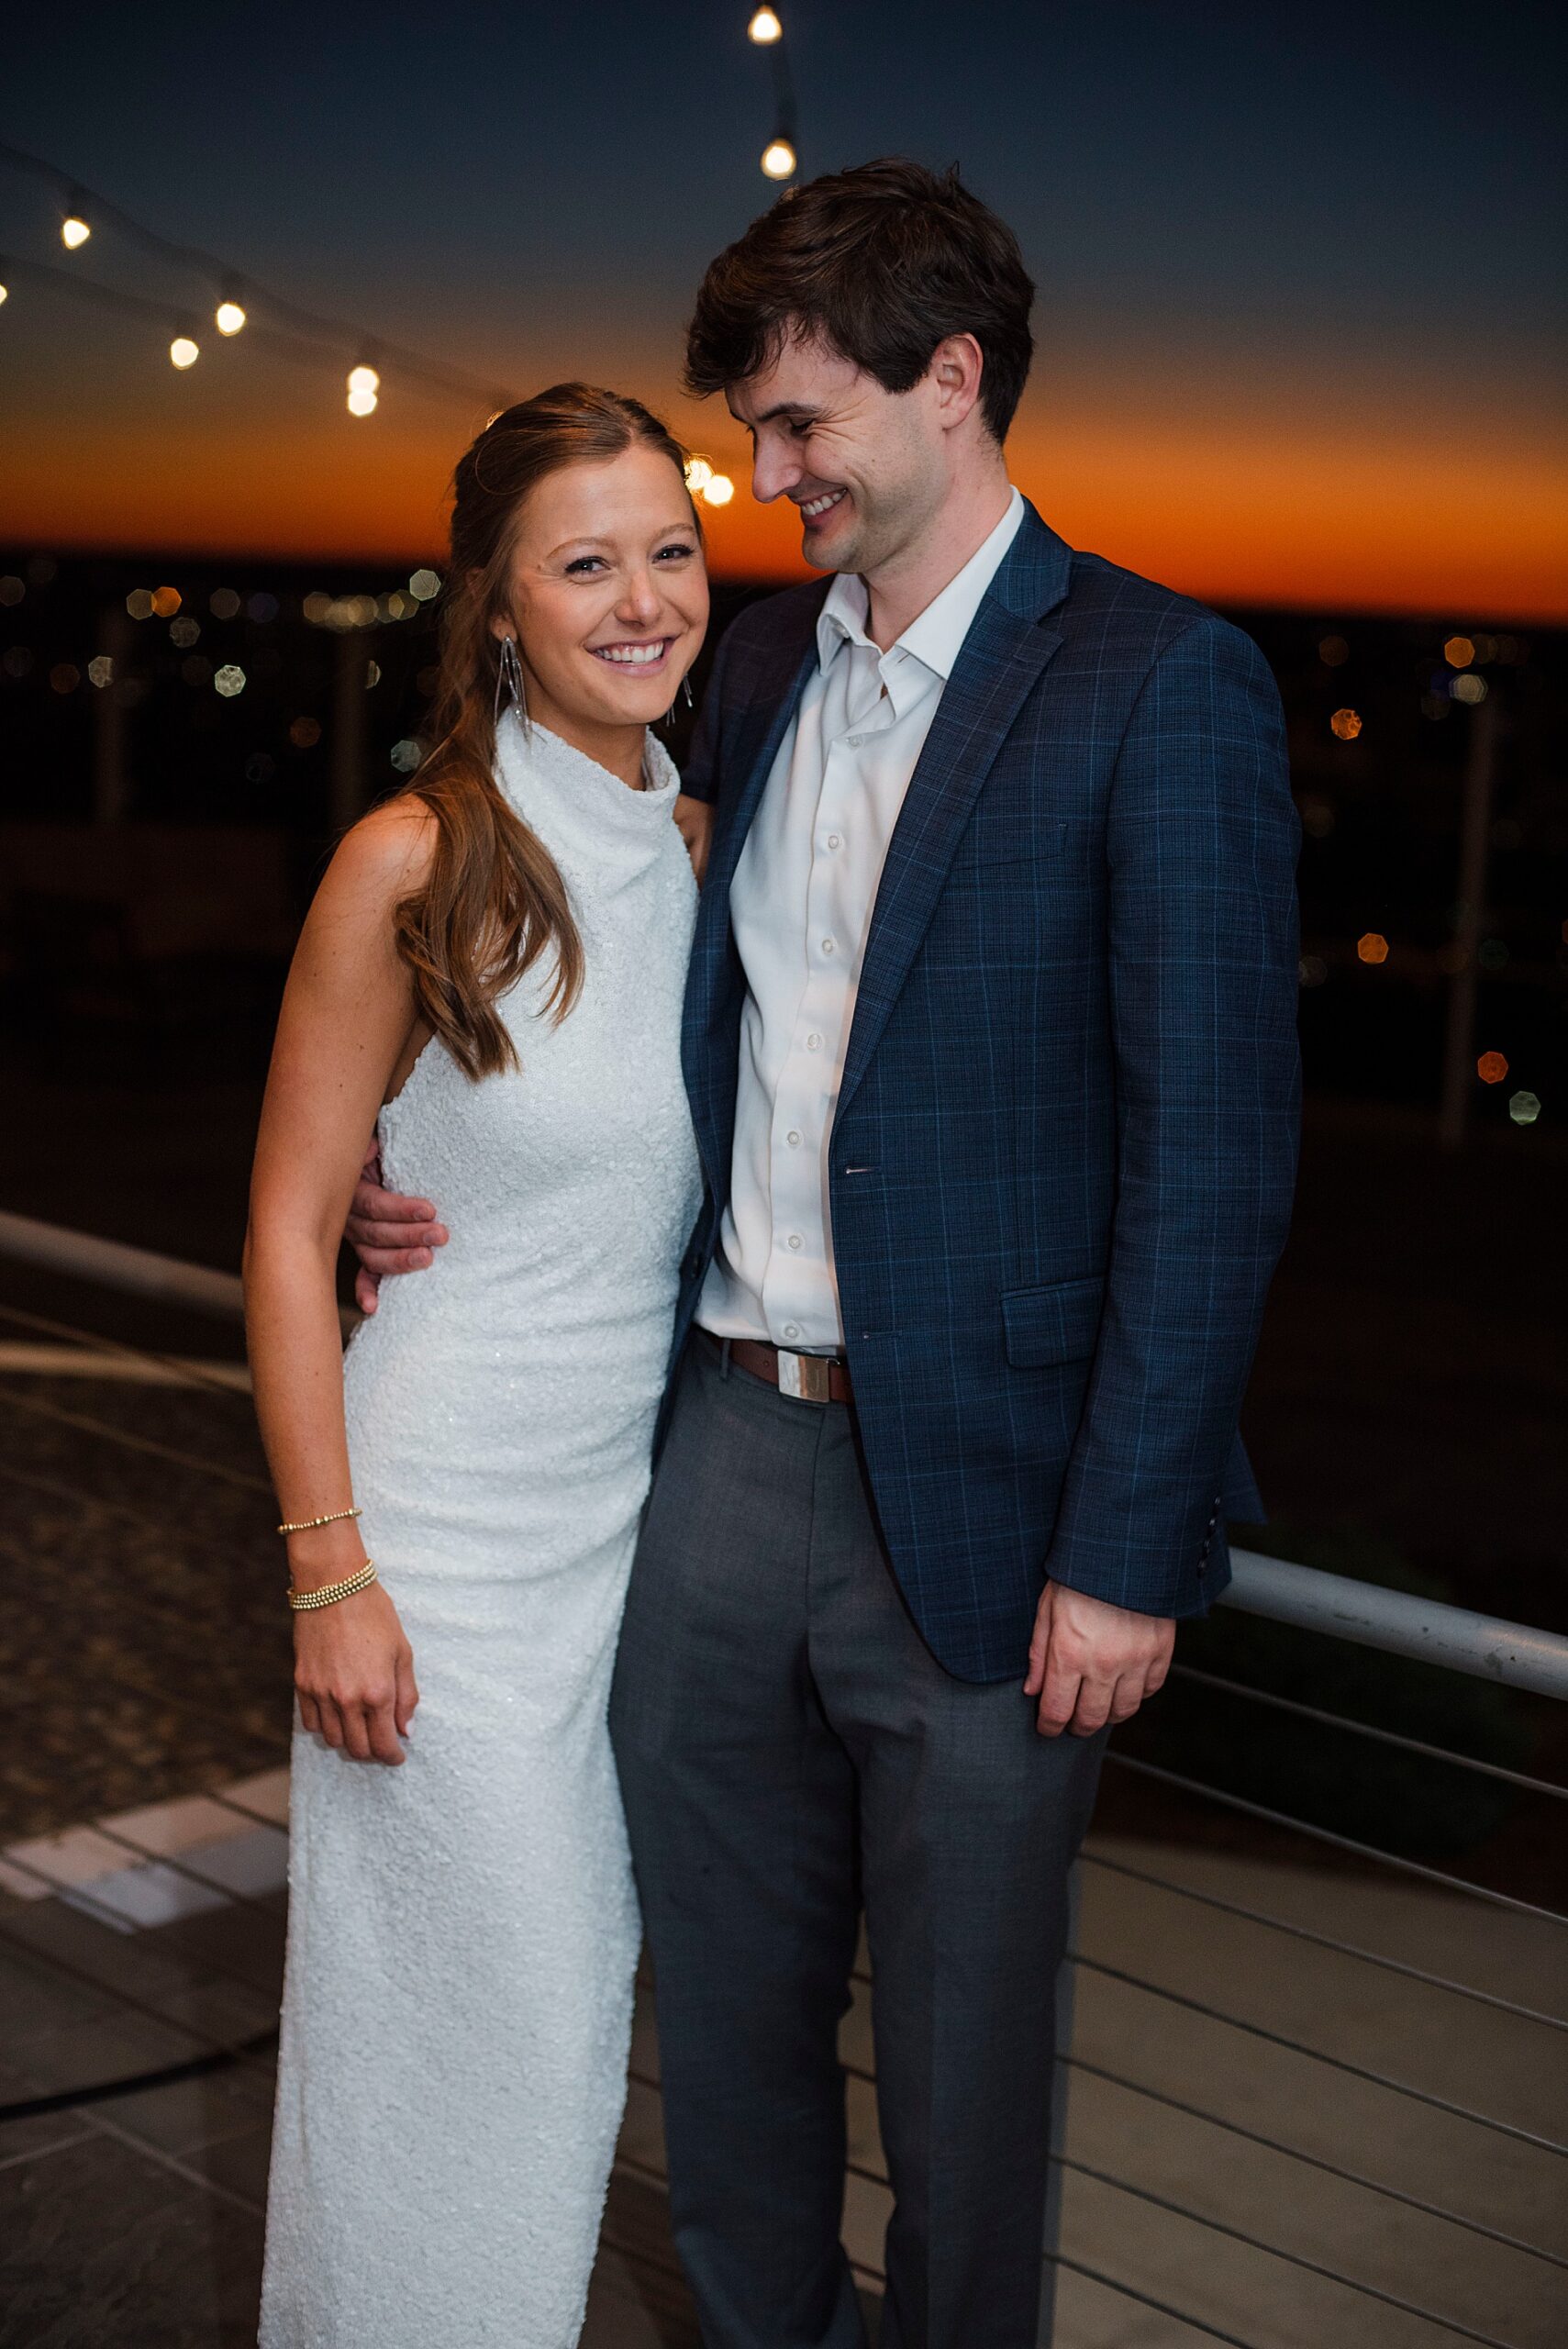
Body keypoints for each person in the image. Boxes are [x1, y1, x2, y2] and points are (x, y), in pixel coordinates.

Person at [351, 161, 1300, 2349]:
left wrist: (1130, 1546)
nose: (757, 484)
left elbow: (1218, 1159)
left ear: (948, 382)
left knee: (965, 2101)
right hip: (714, 1473)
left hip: (986, 1521)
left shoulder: (1164, 684)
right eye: (748, 439)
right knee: (737, 2065)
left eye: (795, 431)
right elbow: (581, 947)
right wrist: (405, 1178)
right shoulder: (758, 670)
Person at [244, 382, 709, 2347]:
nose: (640, 597)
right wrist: (328, 1568)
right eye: (583, 561)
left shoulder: (702, 837)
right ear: (495, 605)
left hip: (626, 1544)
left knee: (559, 2019)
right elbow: (283, 1224)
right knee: (479, 2017)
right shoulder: (413, 856)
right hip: (431, 1546)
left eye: (669, 550)